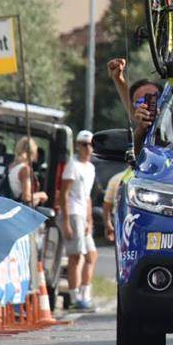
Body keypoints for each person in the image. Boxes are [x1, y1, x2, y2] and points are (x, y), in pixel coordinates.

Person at [61, 130, 98, 312]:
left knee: (91, 255)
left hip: (83, 214)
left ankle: (86, 294)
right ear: (78, 145)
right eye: (84, 144)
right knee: (75, 256)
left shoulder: (90, 168)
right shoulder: (73, 165)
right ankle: (75, 298)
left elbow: (88, 197)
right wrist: (66, 220)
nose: (88, 148)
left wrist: (90, 220)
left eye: (90, 144)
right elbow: (64, 194)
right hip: (74, 212)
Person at [107, 58, 162, 158]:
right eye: (141, 102)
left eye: (154, 98)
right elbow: (134, 154)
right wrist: (141, 128)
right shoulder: (140, 134)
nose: (148, 106)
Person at [7, 136, 48, 206]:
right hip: (21, 211)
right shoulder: (25, 169)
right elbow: (26, 197)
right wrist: (41, 195)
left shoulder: (12, 166)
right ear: (33, 151)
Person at [103, 169, 126, 243]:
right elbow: (107, 204)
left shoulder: (116, 178)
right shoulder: (117, 178)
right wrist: (108, 224)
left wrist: (108, 224)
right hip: (120, 220)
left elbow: (107, 205)